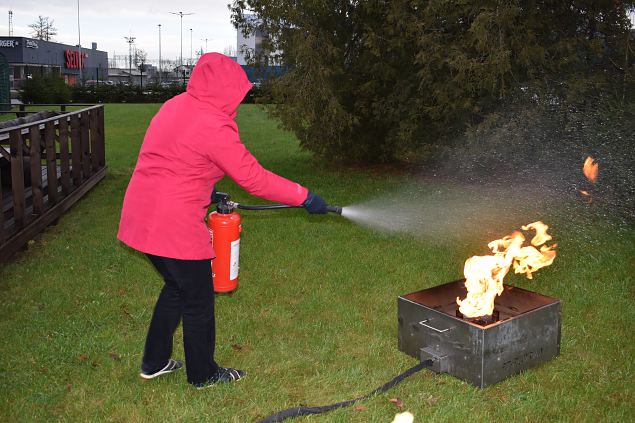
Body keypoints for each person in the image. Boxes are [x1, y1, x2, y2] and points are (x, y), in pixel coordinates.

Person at [117, 53, 331, 389]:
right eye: (238, 92)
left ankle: (154, 362)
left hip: (140, 215)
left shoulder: (176, 105)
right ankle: (203, 374)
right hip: (171, 225)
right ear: (226, 89)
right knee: (198, 300)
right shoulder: (213, 124)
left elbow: (176, 155)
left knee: (177, 288)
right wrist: (304, 196)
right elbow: (253, 178)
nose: (240, 99)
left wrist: (210, 188)